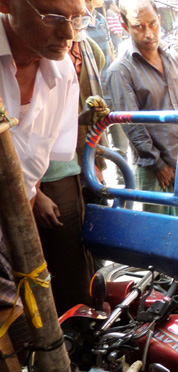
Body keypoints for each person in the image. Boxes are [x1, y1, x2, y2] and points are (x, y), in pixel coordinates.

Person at [0, 0, 86, 335]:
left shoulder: (62, 73)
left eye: (76, 19)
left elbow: (38, 160)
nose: (68, 33)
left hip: (19, 229)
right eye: (52, 17)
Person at [33, 31, 105, 315]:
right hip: (45, 183)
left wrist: (82, 120)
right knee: (61, 264)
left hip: (69, 172)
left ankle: (84, 318)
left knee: (77, 257)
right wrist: (36, 193)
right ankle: (72, 324)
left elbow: (55, 128)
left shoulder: (68, 61)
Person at [105, 0, 178, 217]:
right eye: (139, 26)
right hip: (154, 171)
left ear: (160, 20)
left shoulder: (173, 58)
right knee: (158, 232)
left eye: (153, 24)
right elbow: (132, 125)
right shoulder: (120, 71)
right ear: (125, 26)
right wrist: (158, 165)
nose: (148, 33)